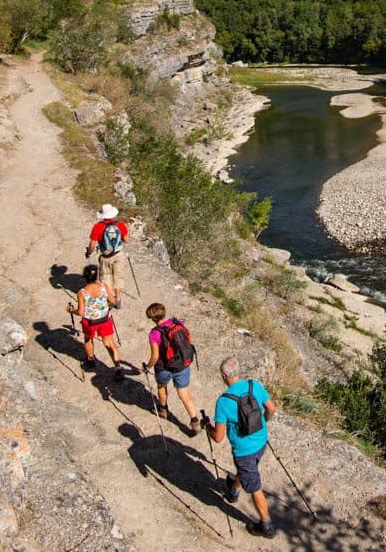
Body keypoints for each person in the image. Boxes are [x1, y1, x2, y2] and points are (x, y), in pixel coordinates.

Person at [203, 356, 279, 538]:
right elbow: (272, 409)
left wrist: (207, 427)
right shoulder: (254, 386)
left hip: (244, 450)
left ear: (223, 376)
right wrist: (264, 422)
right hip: (261, 441)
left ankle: (267, 526)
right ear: (238, 371)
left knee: (254, 486)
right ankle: (234, 490)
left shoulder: (223, 402)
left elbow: (218, 437)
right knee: (247, 470)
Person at [141, 302, 200, 436]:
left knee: (161, 386)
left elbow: (155, 356)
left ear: (152, 319)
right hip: (182, 364)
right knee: (184, 394)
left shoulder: (154, 333)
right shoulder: (177, 323)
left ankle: (163, 410)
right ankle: (195, 421)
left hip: (164, 366)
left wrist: (147, 366)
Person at [69, 264, 124, 377]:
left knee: (88, 339)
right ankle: (118, 367)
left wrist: (71, 311)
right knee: (109, 342)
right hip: (104, 319)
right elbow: (113, 300)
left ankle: (91, 359)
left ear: (85, 277)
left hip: (90, 321)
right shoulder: (103, 286)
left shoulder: (82, 292)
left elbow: (80, 312)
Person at [86, 204, 128, 295]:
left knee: (106, 278)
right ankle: (118, 298)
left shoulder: (97, 227)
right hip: (118, 254)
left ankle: (110, 298)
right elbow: (127, 240)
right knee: (118, 277)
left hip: (106, 256)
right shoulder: (120, 225)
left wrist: (88, 253)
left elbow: (92, 245)